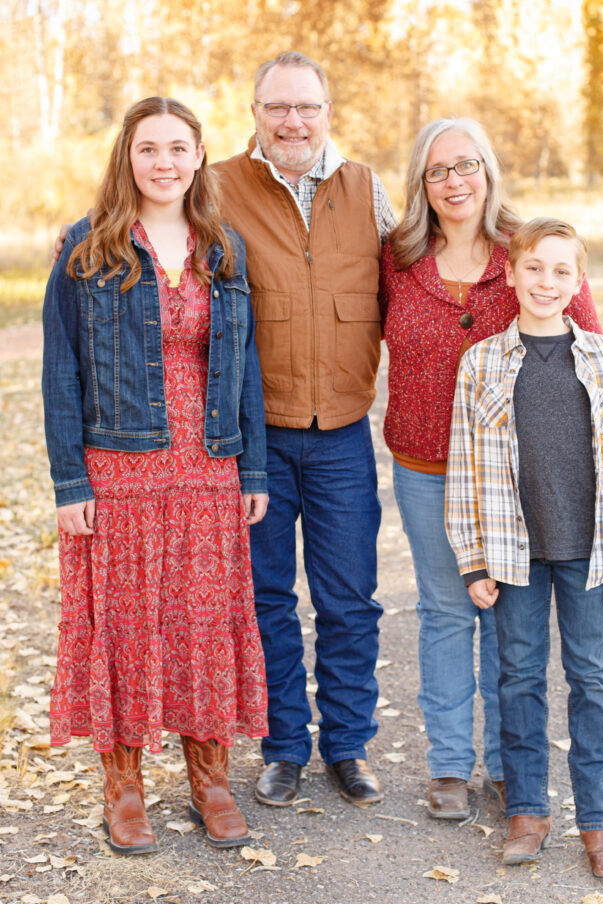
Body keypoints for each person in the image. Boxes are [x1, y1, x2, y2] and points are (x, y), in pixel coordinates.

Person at [51, 54, 395, 807]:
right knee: (261, 599)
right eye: (277, 107)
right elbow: (138, 232)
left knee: (348, 600)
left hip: (333, 429)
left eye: (306, 106)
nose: (292, 121)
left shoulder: (368, 190)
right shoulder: (224, 190)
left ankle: (347, 745)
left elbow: (426, 275)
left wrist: (569, 331)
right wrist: (71, 243)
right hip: (248, 432)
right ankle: (281, 749)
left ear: (328, 109)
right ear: (253, 113)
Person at [380, 119, 603, 821]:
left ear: (487, 170)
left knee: (508, 618)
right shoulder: (398, 257)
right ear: (421, 184)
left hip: (513, 471)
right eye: (438, 171)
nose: (454, 180)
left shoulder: (523, 250)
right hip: (424, 461)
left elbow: (586, 335)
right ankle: (446, 768)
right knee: (444, 610)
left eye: (466, 165)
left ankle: (506, 766)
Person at [42, 97, 269, 855]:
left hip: (208, 464)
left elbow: (246, 371)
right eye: (148, 149)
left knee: (203, 623)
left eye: (178, 148)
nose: (164, 162)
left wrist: (253, 468)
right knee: (126, 623)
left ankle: (209, 778)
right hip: (120, 467)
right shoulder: (87, 248)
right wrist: (71, 484)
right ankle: (124, 785)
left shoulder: (223, 249)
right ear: (127, 158)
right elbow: (60, 374)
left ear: (200, 156)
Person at [447, 218, 603, 879]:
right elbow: (464, 466)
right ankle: (526, 812)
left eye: (561, 271)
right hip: (512, 553)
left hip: (589, 553)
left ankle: (599, 821)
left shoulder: (602, 358)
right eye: (533, 267)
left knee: (592, 679)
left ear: (577, 282)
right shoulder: (482, 363)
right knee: (518, 678)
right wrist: (473, 558)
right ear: (510, 274)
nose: (545, 281)